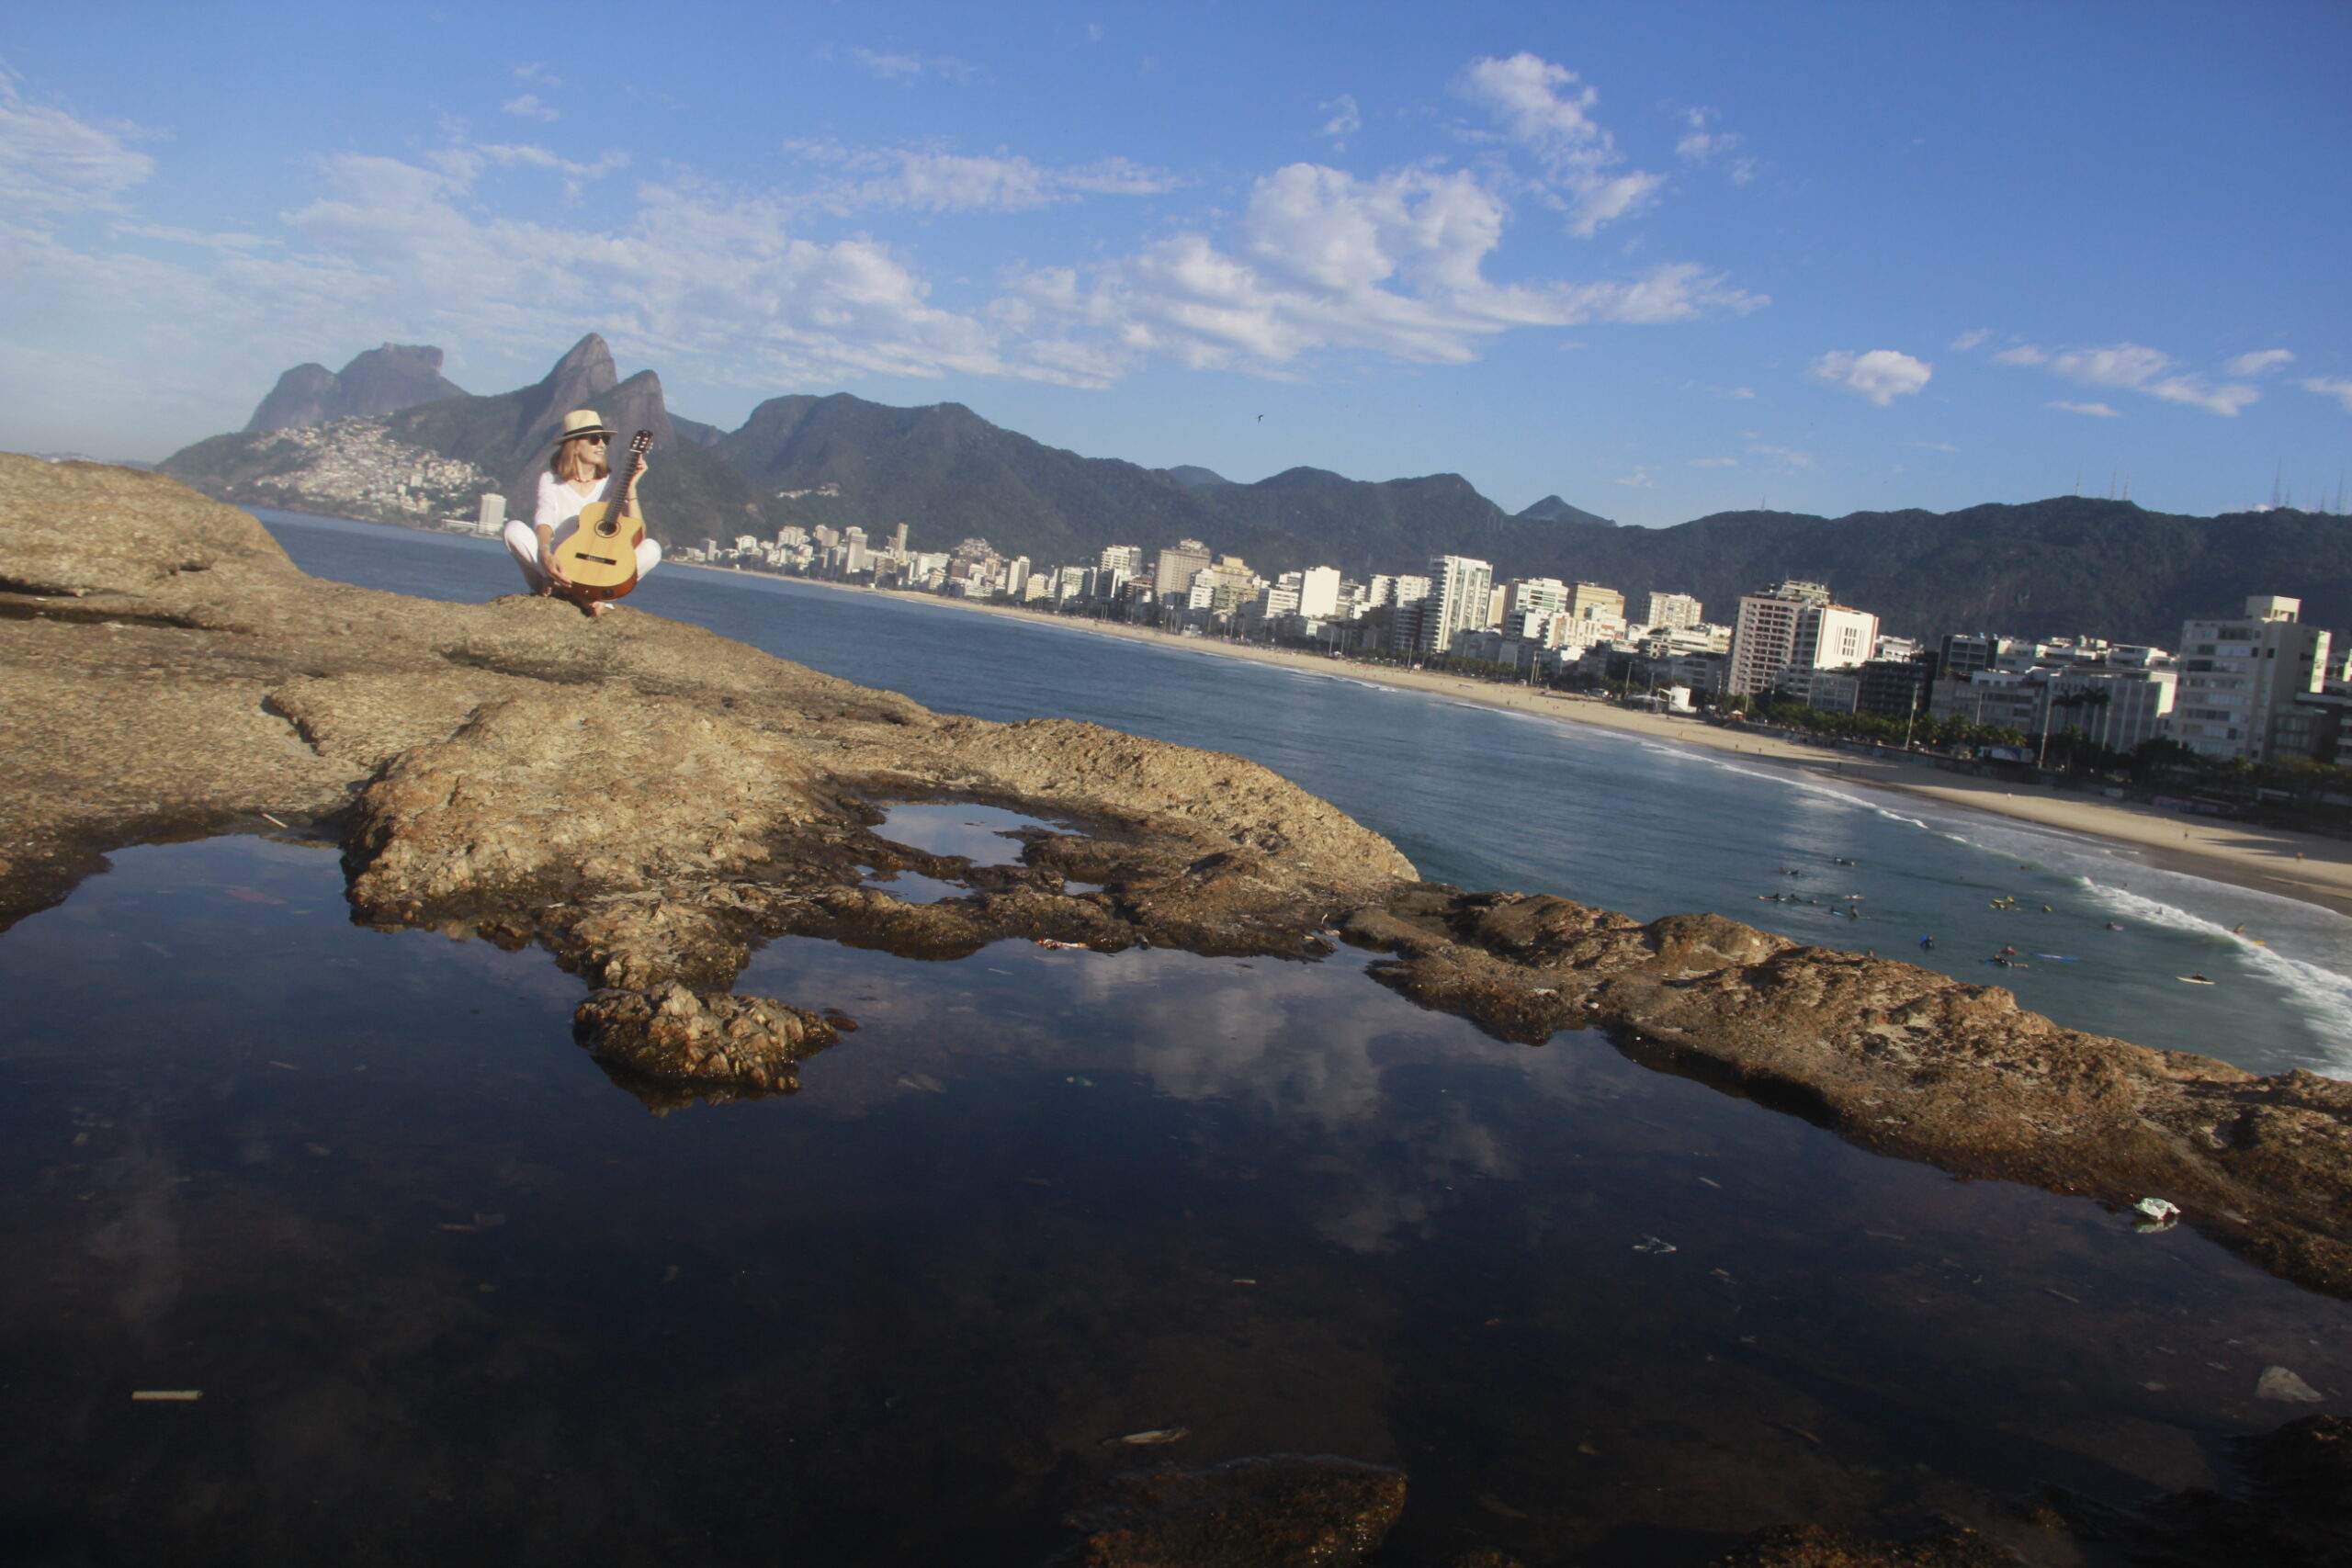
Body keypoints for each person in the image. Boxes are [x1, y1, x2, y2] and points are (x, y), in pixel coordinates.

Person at [502, 409, 661, 617]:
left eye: (604, 439)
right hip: (558, 565)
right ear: (574, 446)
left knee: (652, 548)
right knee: (513, 529)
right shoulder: (550, 480)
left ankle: (589, 592)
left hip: (599, 570)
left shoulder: (612, 484)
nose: (602, 444)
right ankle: (575, 592)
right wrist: (546, 554)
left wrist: (631, 488)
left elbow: (637, 534)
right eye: (595, 439)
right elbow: (544, 517)